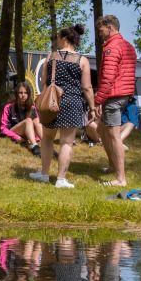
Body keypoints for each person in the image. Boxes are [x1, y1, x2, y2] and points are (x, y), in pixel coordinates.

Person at [29, 23, 95, 188]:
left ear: (64, 38)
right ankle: (60, 179)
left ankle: (44, 174)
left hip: (53, 102)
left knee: (47, 138)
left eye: (58, 38)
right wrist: (93, 108)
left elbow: (44, 82)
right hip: (72, 103)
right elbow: (87, 87)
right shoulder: (82, 60)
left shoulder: (51, 57)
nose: (56, 41)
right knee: (66, 142)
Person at [93, 15, 137, 187]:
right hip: (124, 95)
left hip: (113, 96)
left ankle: (120, 179)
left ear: (110, 27)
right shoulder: (128, 46)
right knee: (101, 129)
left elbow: (108, 78)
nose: (99, 33)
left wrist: (98, 100)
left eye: (101, 30)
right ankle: (113, 166)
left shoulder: (112, 48)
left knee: (114, 136)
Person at [0, 82, 41, 156]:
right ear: (16, 94)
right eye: (20, 93)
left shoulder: (32, 108)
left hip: (28, 134)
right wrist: (17, 137)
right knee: (28, 121)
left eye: (25, 93)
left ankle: (47, 144)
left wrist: (37, 137)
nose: (23, 95)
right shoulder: (8, 107)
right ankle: (35, 146)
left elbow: (37, 125)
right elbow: (3, 129)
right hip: (13, 132)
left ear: (28, 94)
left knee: (36, 120)